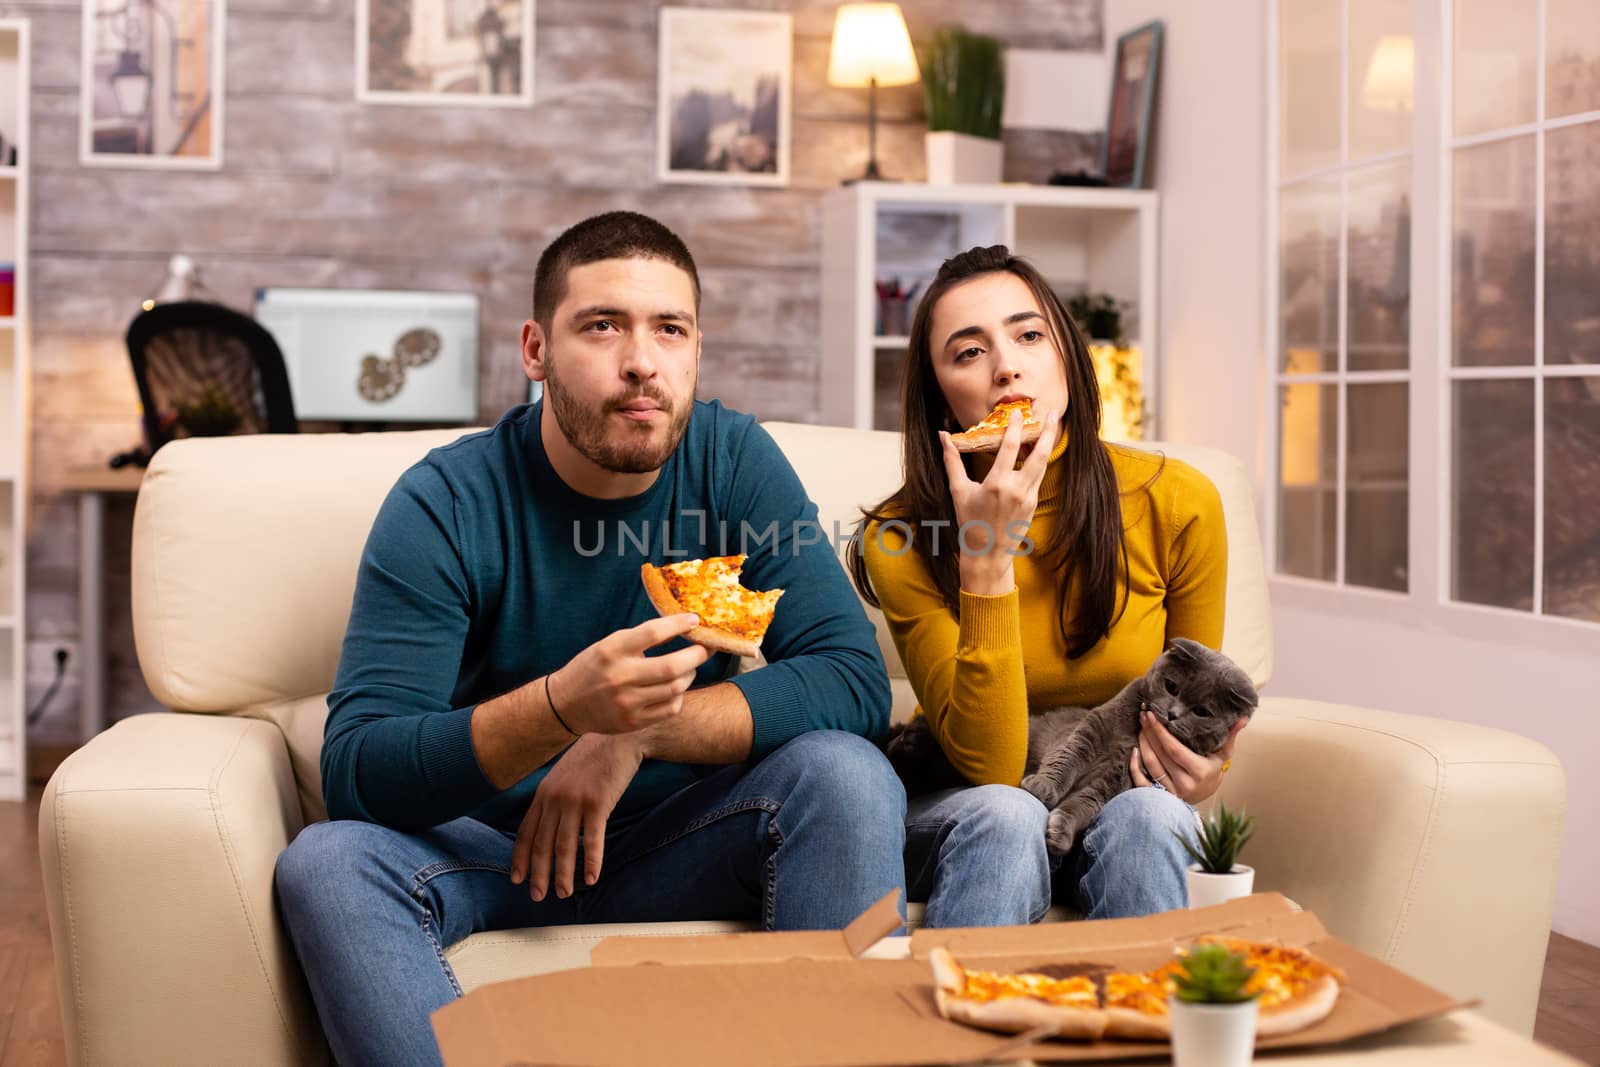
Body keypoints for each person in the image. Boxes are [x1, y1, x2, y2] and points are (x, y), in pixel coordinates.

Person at [274, 211, 903, 1067]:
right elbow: (357, 767)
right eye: (602, 325)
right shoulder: (447, 502)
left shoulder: (730, 460)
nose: (641, 360)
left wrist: (632, 731)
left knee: (848, 775)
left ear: (695, 349)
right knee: (328, 862)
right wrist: (560, 708)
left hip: (684, 838)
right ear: (535, 350)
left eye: (669, 329)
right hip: (495, 853)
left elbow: (853, 681)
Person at [849, 244, 1244, 927]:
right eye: (968, 353)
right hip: (964, 800)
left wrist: (1208, 770)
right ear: (941, 397)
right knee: (1008, 813)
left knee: (1154, 814)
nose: (1007, 365)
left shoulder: (1178, 500)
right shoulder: (899, 535)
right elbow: (993, 767)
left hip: (1114, 796)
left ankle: (1141, 1029)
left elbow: (1197, 704)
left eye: (1028, 335)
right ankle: (966, 1029)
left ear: (1065, 354)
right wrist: (986, 557)